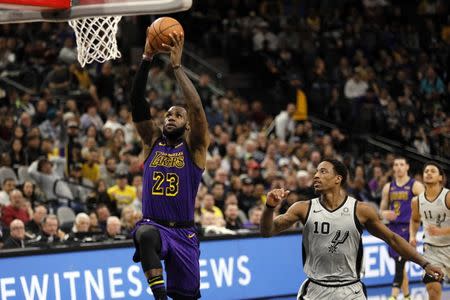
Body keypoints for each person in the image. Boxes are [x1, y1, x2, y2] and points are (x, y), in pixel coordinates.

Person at [260, 159, 443, 300]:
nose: (316, 175)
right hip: (315, 289)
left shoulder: (360, 210)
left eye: (323, 171)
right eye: (316, 171)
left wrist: (425, 263)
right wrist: (269, 208)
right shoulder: (303, 208)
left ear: (338, 179)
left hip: (350, 290)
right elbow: (267, 231)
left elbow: (393, 239)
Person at [130, 30, 209, 300]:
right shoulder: (152, 141)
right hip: (155, 225)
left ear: (187, 124)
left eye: (177, 114)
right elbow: (137, 104)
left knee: (188, 297)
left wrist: (176, 67)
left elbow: (197, 109)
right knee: (146, 233)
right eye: (167, 114)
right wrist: (146, 58)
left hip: (185, 231)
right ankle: (159, 297)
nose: (170, 117)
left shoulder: (195, 148)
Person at [379, 157, 424, 300]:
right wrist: (384, 213)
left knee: (400, 262)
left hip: (407, 227)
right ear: (393, 168)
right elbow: (381, 211)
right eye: (396, 165)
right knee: (400, 264)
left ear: (407, 167)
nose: (398, 167)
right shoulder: (388, 187)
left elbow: (426, 203)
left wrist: (415, 231)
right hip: (392, 229)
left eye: (401, 164)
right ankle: (407, 295)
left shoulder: (415, 185)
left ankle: (393, 296)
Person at [410, 162, 450, 300]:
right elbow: (415, 220)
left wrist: (442, 231)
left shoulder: (448, 196)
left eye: (433, 171)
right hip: (432, 250)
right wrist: (412, 236)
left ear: (440, 177)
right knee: (433, 290)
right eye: (426, 171)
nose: (428, 173)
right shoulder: (416, 201)